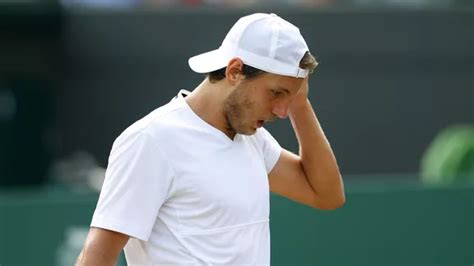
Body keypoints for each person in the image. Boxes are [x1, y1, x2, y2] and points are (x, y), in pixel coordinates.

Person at [76, 13, 345, 265]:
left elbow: (326, 195)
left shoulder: (254, 140)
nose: (281, 111)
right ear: (234, 71)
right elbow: (96, 257)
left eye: (289, 97)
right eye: (276, 93)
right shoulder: (151, 140)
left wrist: (300, 104)